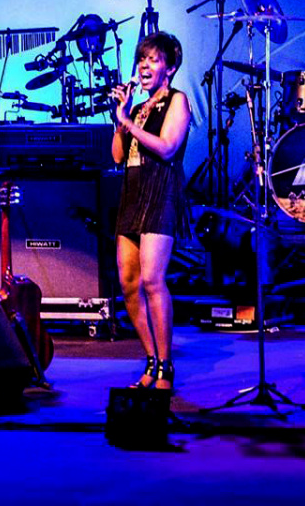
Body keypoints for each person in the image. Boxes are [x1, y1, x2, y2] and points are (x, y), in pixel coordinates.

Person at [110, 31, 192, 391]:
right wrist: (122, 118)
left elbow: (168, 147)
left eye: (153, 60)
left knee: (151, 279)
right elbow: (117, 156)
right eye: (141, 59)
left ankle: (166, 366)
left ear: (169, 68)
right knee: (128, 282)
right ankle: (152, 359)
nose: (144, 66)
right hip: (132, 192)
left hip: (160, 192)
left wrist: (129, 124)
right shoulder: (137, 108)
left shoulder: (177, 100)